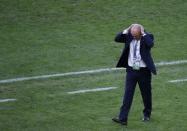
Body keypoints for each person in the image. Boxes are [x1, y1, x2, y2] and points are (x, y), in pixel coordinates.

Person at [112, 24, 157, 126]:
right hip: (131, 70)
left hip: (144, 71)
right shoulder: (129, 35)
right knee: (127, 94)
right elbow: (117, 38)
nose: (134, 37)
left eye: (136, 35)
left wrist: (143, 34)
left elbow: (151, 44)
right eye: (133, 35)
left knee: (146, 94)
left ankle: (147, 114)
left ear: (141, 32)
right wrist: (127, 30)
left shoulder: (147, 37)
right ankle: (123, 118)